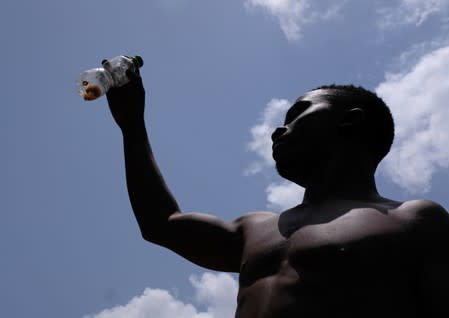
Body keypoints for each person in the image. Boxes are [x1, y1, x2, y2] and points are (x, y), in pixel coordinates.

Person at [105, 69, 449, 318]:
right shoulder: (256, 227)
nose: (278, 129)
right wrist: (132, 124)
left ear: (350, 121)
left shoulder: (413, 219)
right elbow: (162, 224)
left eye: (298, 114)